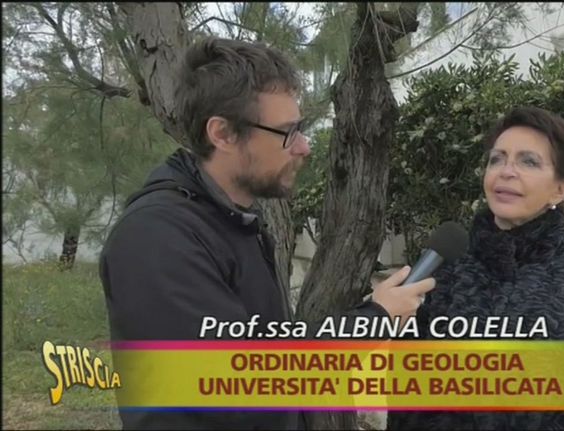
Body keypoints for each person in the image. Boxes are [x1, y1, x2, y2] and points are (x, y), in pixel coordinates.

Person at [99, 37, 434, 430]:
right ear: (223, 134)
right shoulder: (157, 239)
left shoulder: (234, 222)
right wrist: (372, 320)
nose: (304, 147)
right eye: (287, 132)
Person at [387, 106, 564, 430]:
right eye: (497, 159)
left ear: (561, 189)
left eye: (528, 162)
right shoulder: (448, 262)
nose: (506, 171)